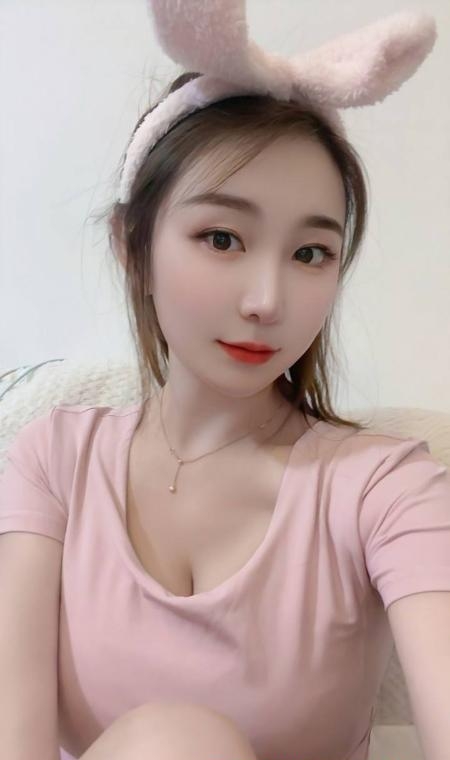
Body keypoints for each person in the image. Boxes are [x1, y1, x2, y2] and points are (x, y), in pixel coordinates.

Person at [1, 3, 450, 760]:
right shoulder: (54, 460)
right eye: (222, 237)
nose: (267, 300)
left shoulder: (385, 489)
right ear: (133, 248)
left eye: (310, 253)